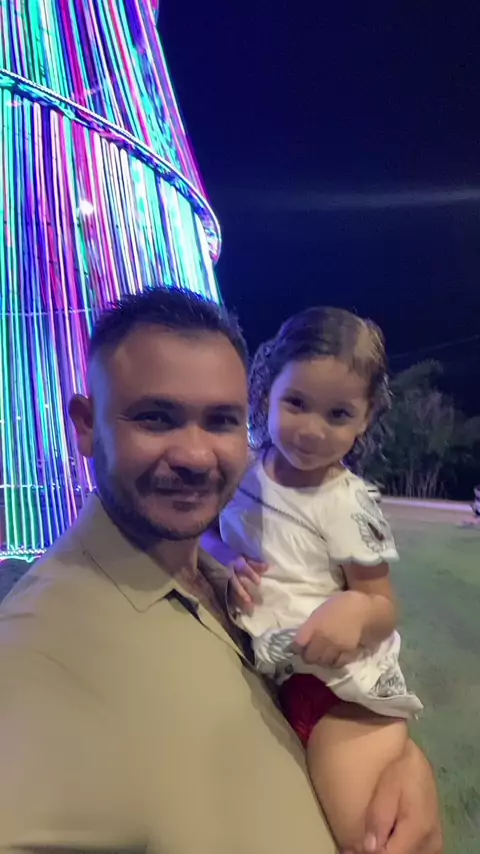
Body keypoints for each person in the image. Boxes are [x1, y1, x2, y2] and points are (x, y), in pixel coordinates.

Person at [0, 287, 442, 854]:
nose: (195, 455)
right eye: (155, 417)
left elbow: (362, 619)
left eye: (220, 421)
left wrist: (404, 764)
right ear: (86, 425)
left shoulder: (214, 575)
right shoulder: (39, 649)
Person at [204, 307, 424, 847]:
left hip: (343, 698)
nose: (311, 429)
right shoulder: (243, 473)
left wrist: (355, 609)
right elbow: (207, 534)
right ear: (266, 396)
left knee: (365, 841)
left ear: (365, 419)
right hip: (278, 677)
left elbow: (382, 604)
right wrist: (225, 558)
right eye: (296, 403)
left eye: (338, 414)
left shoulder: (347, 503)